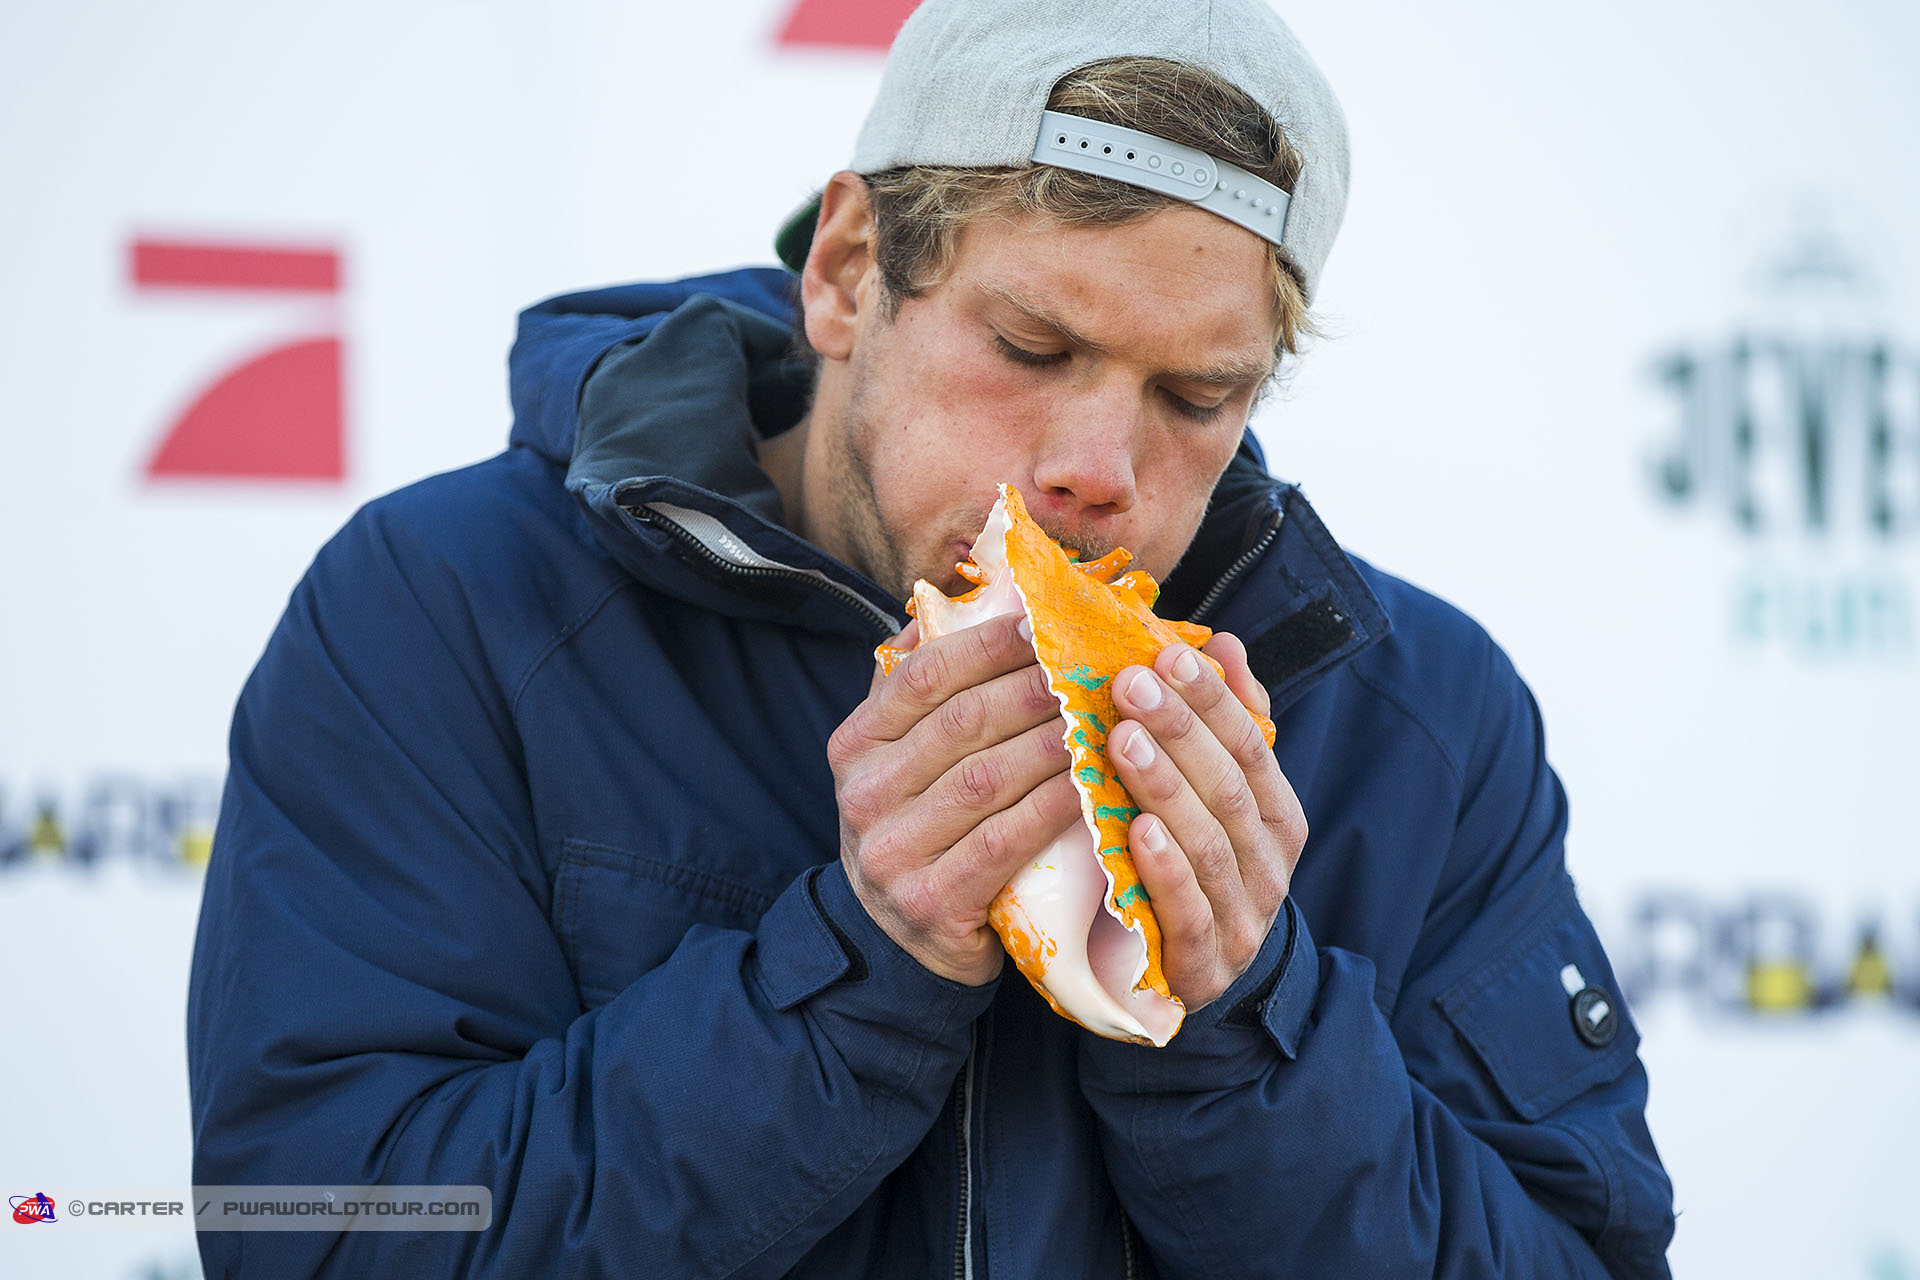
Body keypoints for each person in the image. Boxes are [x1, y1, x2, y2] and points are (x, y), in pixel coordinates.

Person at [186, 1, 1677, 1275]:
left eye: (1197, 397)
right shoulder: (452, 609)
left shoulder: (1414, 713)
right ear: (846, 273)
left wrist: (1244, 1024)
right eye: (1033, 349)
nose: (1100, 464)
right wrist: (858, 971)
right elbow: (316, 1230)